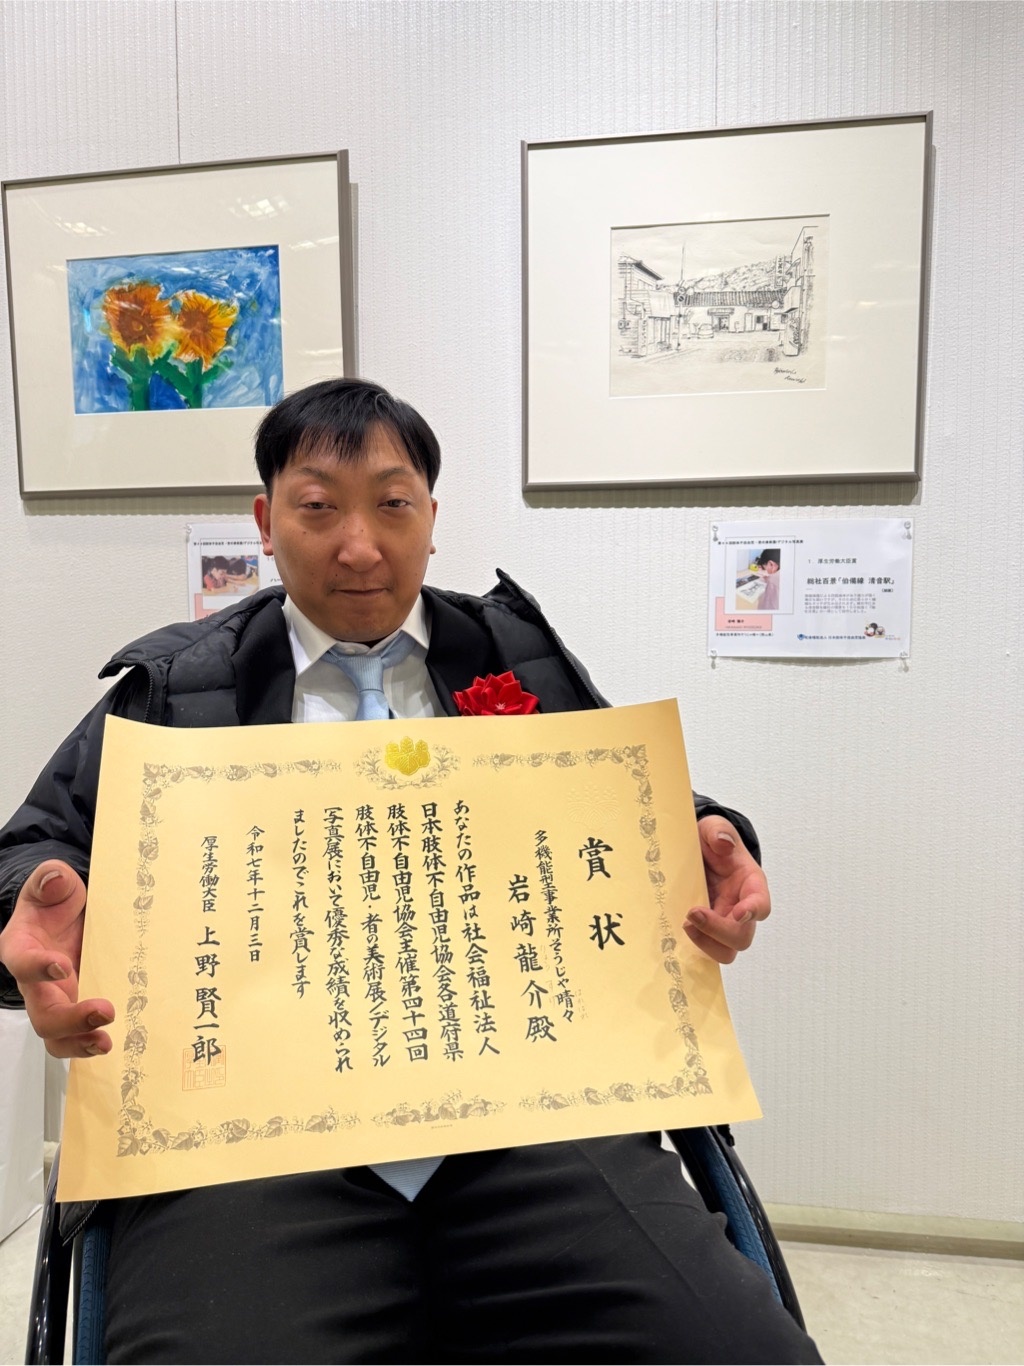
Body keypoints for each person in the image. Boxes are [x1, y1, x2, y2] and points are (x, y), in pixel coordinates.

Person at [0, 379, 821, 1364]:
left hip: (532, 1118)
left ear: (432, 516)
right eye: (318, 506)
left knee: (735, 1347)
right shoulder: (176, 686)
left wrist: (711, 835)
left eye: (392, 503)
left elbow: (623, 811)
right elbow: (35, 852)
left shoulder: (516, 651)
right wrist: (33, 910)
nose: (360, 545)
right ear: (265, 521)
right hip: (244, 1146)